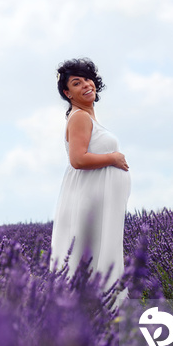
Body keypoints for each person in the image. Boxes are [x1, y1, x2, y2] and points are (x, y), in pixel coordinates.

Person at [50, 58, 131, 296]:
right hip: (87, 202)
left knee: (93, 259)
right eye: (77, 82)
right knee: (88, 258)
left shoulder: (86, 117)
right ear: (68, 93)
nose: (86, 84)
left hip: (95, 201)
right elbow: (78, 159)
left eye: (87, 79)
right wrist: (113, 158)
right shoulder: (80, 117)